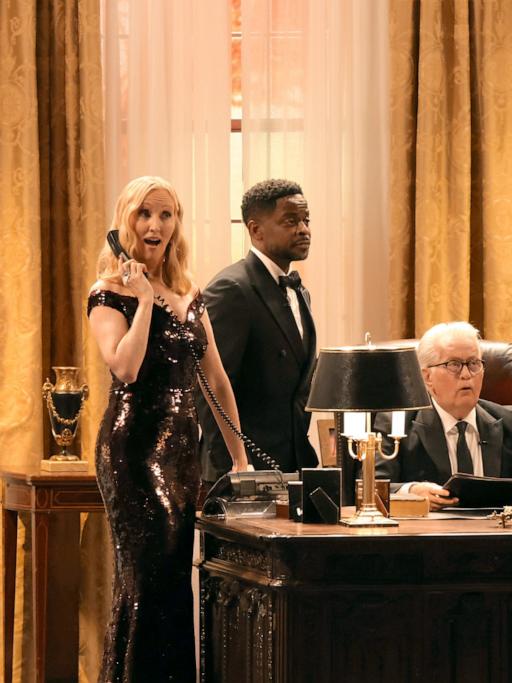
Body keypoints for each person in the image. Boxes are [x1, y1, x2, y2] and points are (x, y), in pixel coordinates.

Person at [87, 176, 249, 681]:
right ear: (126, 222)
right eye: (144, 214)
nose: (155, 225)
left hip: (183, 453)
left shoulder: (189, 293)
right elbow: (125, 369)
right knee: (146, 583)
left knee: (176, 582)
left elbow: (218, 381)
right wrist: (140, 303)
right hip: (134, 450)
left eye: (166, 214)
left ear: (176, 225)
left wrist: (240, 459)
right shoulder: (108, 293)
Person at [197, 179, 318, 478]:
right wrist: (234, 467)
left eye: (306, 220)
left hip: (293, 464)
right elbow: (208, 389)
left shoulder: (300, 292)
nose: (303, 229)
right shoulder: (231, 289)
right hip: (242, 469)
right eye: (291, 221)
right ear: (255, 230)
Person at [374, 322, 512, 510]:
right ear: (427, 377)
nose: (466, 374)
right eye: (454, 364)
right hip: (430, 537)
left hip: (498, 535)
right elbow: (373, 487)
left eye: (474, 363)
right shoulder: (396, 425)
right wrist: (411, 491)